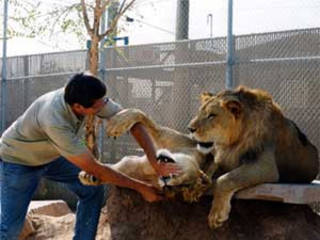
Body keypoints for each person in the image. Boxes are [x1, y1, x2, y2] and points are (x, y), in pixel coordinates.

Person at [0, 72, 179, 240]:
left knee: (91, 188)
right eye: (98, 105)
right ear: (78, 107)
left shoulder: (86, 96)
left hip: (52, 153)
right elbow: (96, 170)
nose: (104, 106)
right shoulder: (54, 119)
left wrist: (154, 160)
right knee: (10, 229)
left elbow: (131, 121)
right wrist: (141, 187)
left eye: (103, 101)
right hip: (19, 160)